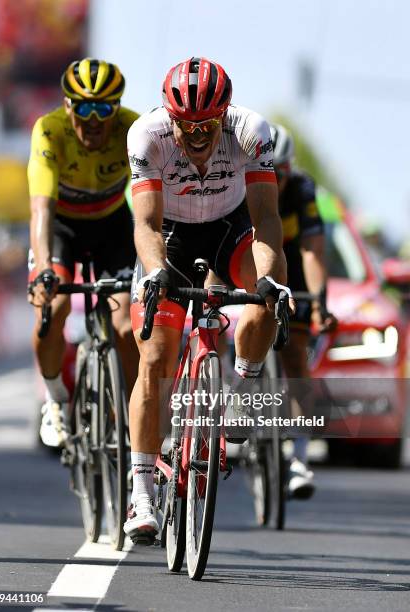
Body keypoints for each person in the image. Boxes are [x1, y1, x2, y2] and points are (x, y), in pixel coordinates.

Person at [123, 57, 293, 542]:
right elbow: (147, 225)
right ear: (167, 116)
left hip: (231, 228)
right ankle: (140, 495)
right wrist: (155, 273)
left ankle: (241, 389)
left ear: (226, 114)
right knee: (154, 357)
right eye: (186, 125)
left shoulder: (251, 132)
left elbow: (266, 221)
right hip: (170, 238)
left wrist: (268, 280)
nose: (197, 135)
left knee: (268, 289)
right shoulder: (146, 136)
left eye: (208, 125)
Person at [27, 58, 139, 447]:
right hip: (62, 229)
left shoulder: (133, 130)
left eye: (104, 108)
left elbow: (150, 202)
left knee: (126, 326)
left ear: (118, 108)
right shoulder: (50, 130)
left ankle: (136, 414)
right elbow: (41, 208)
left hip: (112, 227)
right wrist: (43, 268)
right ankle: (56, 399)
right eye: (84, 107)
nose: (93, 119)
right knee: (53, 307)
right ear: (67, 104)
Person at [270, 123, 337, 498]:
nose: (275, 181)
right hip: (247, 259)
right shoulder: (239, 184)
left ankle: (298, 458)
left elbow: (312, 249)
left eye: (281, 173)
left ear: (290, 169)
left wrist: (319, 301)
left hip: (291, 264)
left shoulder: (302, 189)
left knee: (296, 356)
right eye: (269, 172)